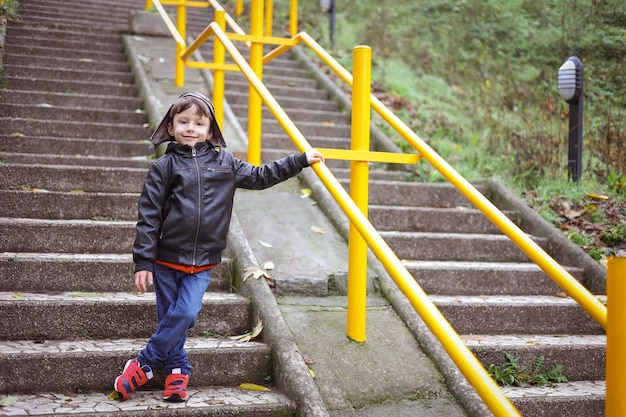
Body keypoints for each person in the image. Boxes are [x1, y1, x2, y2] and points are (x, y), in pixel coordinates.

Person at [114, 91, 324, 402]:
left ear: (211, 131)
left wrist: (298, 161)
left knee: (184, 314)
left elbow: (260, 176)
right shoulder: (164, 168)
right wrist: (143, 261)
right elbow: (149, 217)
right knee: (170, 320)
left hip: (202, 262)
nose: (191, 128)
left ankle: (144, 362)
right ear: (170, 128)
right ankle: (178, 371)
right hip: (165, 260)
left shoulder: (226, 163)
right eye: (183, 121)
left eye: (199, 123)